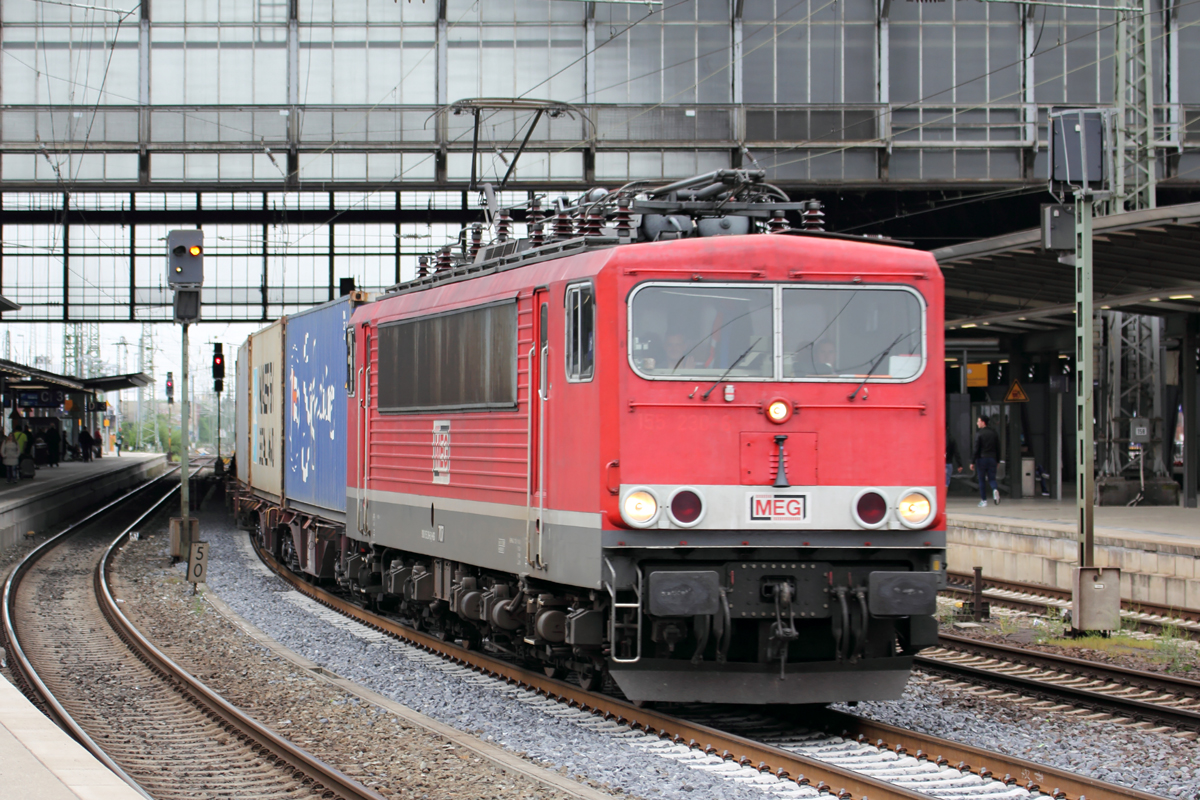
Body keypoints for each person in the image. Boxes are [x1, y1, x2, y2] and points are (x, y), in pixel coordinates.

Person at [969, 415, 1001, 507]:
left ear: (983, 422)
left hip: (981, 459)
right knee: (992, 478)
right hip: (992, 459)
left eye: (978, 421)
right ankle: (994, 489)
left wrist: (972, 461)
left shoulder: (979, 434)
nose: (977, 423)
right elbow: (998, 448)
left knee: (981, 480)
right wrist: (997, 460)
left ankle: (984, 500)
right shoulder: (994, 433)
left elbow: (976, 448)